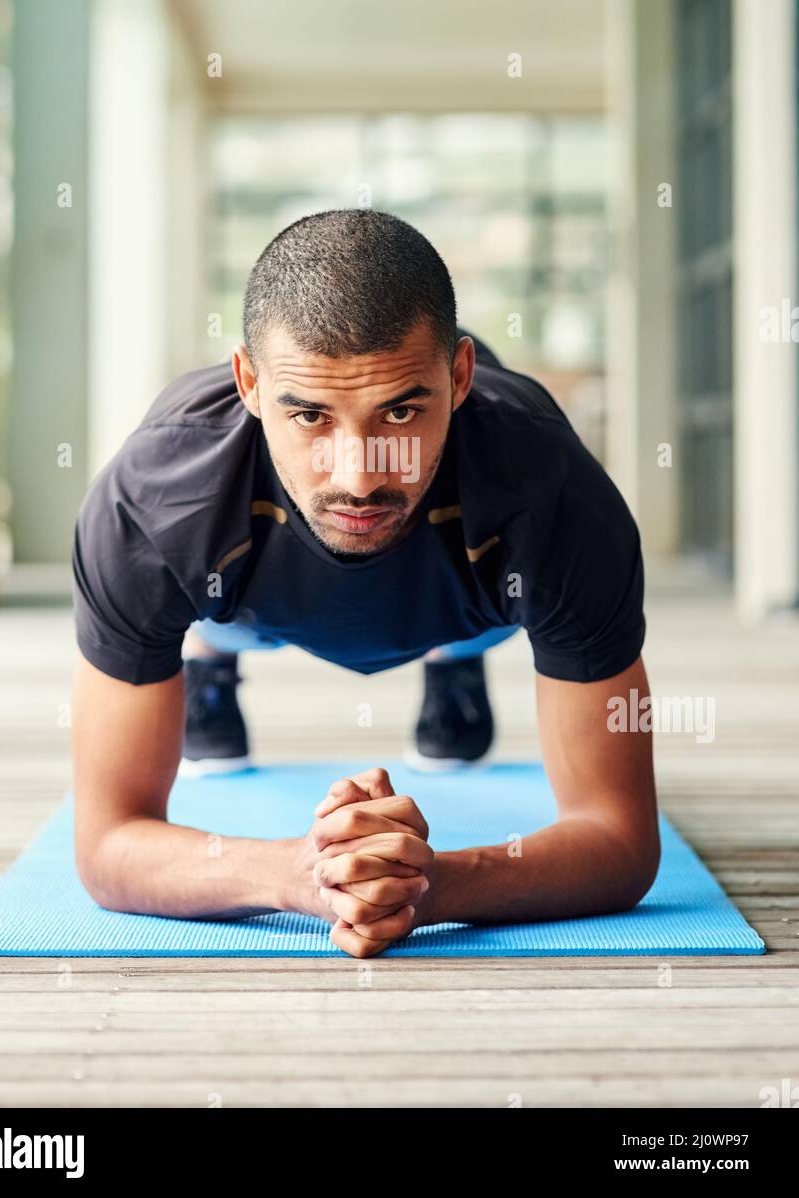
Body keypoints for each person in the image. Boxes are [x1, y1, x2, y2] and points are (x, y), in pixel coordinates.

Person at [70, 208, 660, 958]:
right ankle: (209, 667)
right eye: (311, 416)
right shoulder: (153, 505)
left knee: (492, 583)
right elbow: (108, 844)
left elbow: (621, 838)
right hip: (243, 601)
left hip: (462, 596)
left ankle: (455, 659)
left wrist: (428, 884)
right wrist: (302, 875)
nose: (358, 476)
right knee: (203, 591)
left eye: (401, 411)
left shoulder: (554, 497)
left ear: (461, 378)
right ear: (248, 383)